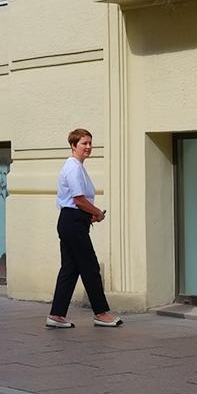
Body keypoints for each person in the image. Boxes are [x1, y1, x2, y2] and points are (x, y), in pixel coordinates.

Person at [47, 128, 122, 329]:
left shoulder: (78, 167)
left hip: (74, 221)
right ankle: (101, 313)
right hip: (72, 222)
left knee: (70, 269)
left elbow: (79, 202)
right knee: (90, 266)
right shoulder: (73, 168)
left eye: (90, 143)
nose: (88, 147)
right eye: (84, 143)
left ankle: (56, 315)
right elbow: (78, 199)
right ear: (73, 145)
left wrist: (89, 215)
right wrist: (97, 212)